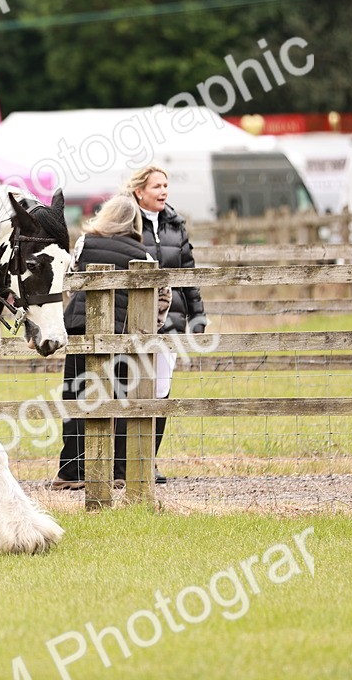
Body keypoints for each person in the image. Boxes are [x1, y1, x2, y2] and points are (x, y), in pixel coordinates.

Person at [52, 193, 170, 490]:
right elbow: (161, 293)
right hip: (124, 335)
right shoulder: (143, 254)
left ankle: (72, 471)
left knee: (77, 395)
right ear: (134, 221)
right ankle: (120, 470)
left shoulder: (84, 243)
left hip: (82, 328)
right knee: (120, 400)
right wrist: (151, 327)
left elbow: (71, 282)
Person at [128, 164, 206, 483]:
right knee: (130, 389)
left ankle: (148, 461)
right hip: (133, 322)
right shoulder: (126, 223)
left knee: (160, 391)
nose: (164, 191)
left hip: (171, 321)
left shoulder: (176, 225)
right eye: (157, 186)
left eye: (165, 186)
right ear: (139, 192)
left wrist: (197, 314)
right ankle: (124, 463)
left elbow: (188, 272)